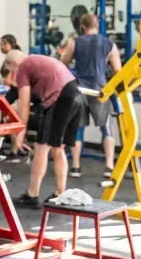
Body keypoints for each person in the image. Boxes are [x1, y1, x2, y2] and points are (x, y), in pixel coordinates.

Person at [5, 50, 84, 208]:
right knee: (57, 148)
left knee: (41, 147)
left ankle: (32, 194)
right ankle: (60, 194)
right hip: (77, 96)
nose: (12, 74)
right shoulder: (37, 60)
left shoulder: (23, 68)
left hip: (60, 99)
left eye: (11, 70)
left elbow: (24, 104)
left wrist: (19, 134)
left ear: (14, 65)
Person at [60, 13, 122, 179]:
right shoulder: (109, 44)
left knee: (78, 129)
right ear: (97, 26)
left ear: (82, 27)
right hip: (100, 90)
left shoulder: (75, 42)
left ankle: (75, 167)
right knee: (106, 128)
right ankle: (109, 166)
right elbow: (117, 69)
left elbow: (62, 63)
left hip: (81, 89)